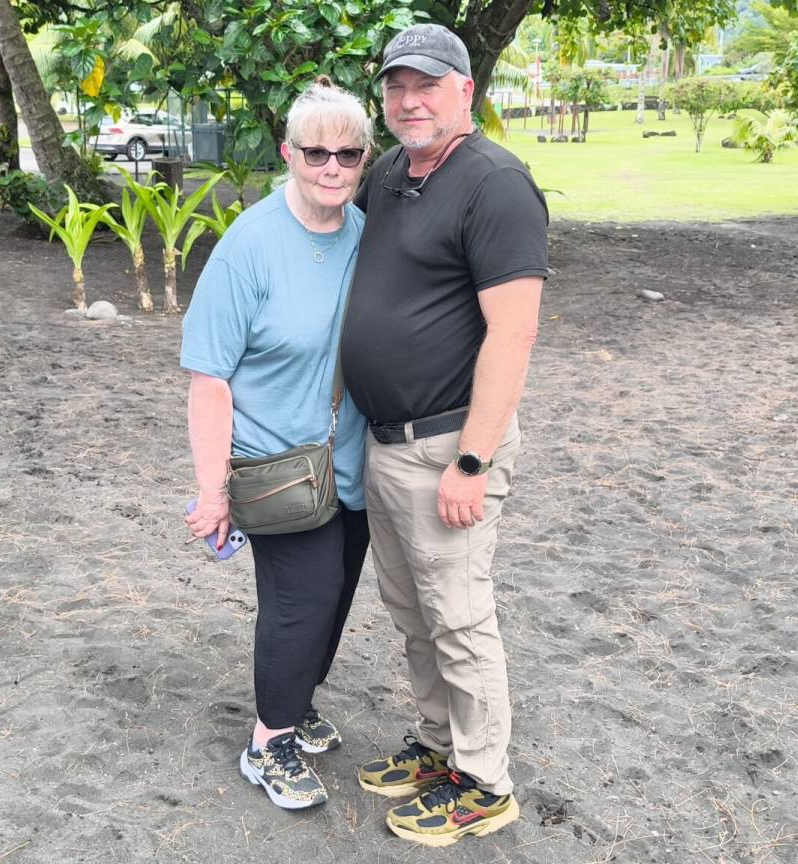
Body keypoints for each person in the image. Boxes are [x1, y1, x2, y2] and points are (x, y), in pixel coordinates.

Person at [341, 24, 549, 846]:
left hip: (449, 445)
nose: (409, 100)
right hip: (384, 441)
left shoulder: (495, 183)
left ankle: (484, 783)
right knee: (413, 612)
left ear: (466, 90)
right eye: (395, 86)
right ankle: (437, 746)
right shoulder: (390, 174)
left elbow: (514, 334)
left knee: (459, 618)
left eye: (427, 84)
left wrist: (473, 457)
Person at [180, 77, 375, 811]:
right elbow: (209, 381)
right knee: (303, 599)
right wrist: (213, 488)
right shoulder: (249, 248)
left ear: (365, 158)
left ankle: (298, 701)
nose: (332, 167)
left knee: (336, 596)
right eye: (315, 152)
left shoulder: (365, 233)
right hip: (276, 466)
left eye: (348, 154)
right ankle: (269, 742)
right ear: (289, 154)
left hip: (352, 459)